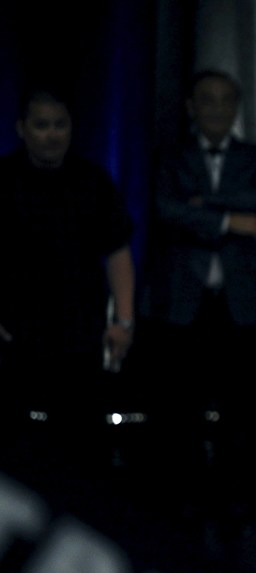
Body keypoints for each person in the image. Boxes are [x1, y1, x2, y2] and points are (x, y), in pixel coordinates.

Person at [138, 69, 256, 534]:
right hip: (183, 299)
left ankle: (239, 501)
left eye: (225, 100)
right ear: (191, 108)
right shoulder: (169, 156)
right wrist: (228, 221)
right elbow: (165, 208)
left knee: (245, 409)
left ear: (236, 107)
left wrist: (202, 205)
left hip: (244, 302)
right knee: (179, 408)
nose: (217, 108)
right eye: (207, 100)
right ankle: (182, 501)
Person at [0, 84, 135, 456]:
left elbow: (118, 250)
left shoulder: (92, 180)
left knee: (79, 438)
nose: (52, 134)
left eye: (60, 124)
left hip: (80, 328)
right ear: (21, 128)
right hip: (15, 330)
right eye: (42, 125)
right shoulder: (4, 180)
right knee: (16, 437)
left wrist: (123, 320)